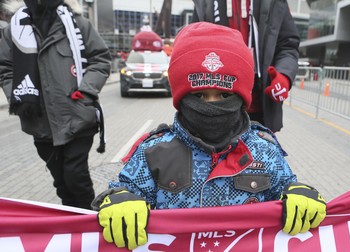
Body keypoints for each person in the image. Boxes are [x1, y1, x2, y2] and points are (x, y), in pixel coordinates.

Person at [91, 22, 326, 250]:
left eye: (224, 96)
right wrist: (120, 198)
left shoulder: (263, 151)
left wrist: (298, 192)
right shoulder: (154, 152)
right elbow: (127, 189)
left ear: (242, 97)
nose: (211, 106)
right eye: (200, 95)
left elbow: (285, 188)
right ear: (181, 97)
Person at [0, 0, 111, 209]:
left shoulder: (77, 23)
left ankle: (89, 221)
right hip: (40, 122)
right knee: (61, 183)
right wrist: (18, 96)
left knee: (76, 177)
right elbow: (5, 69)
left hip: (77, 117)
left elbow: (101, 59)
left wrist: (87, 90)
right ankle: (71, 227)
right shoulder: (14, 29)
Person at [192, 0, 300, 132]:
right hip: (216, 106)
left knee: (259, 152)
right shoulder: (205, 3)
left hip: (259, 107)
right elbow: (193, 47)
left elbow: (288, 46)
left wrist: (283, 76)